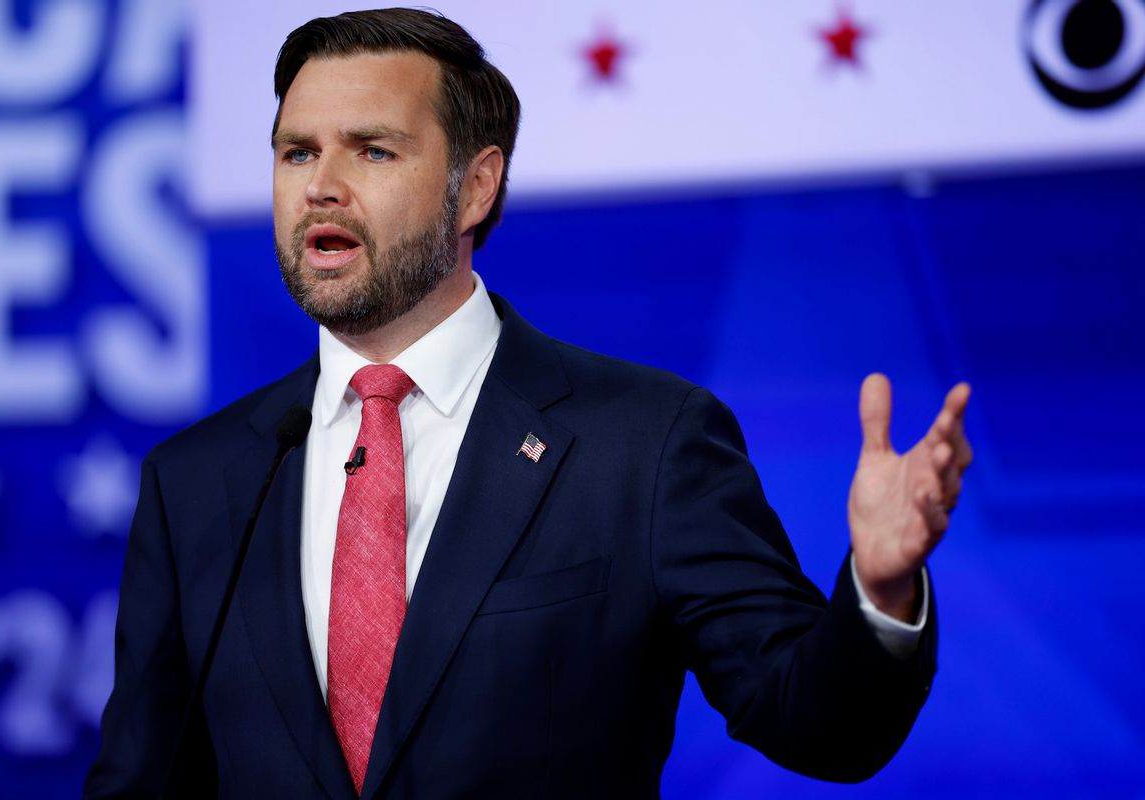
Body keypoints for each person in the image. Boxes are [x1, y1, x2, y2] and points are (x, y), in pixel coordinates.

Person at [86, 8, 972, 799]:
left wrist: (880, 588)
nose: (320, 185)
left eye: (374, 149)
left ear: (475, 187)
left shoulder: (644, 443)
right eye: (297, 152)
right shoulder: (198, 481)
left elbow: (817, 724)